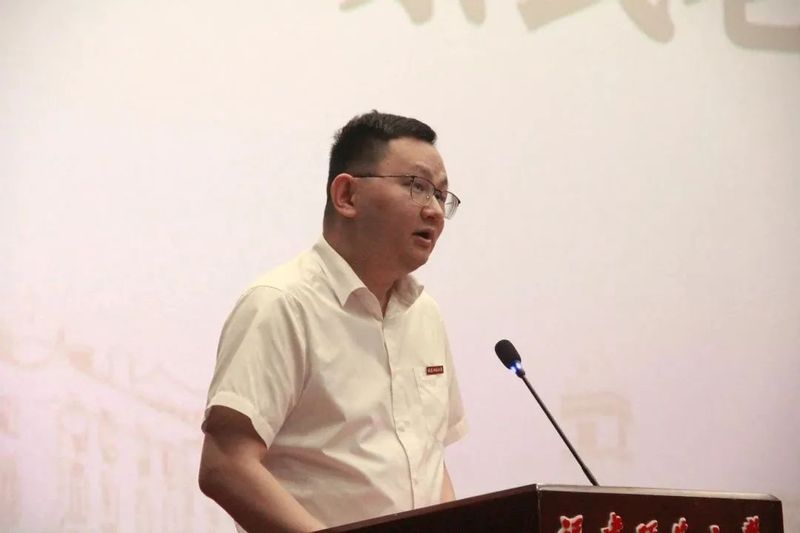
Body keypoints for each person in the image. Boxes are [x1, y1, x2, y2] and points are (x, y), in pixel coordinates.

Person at [198, 111, 468, 533]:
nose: (434, 210)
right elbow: (226, 465)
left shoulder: (424, 314)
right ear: (347, 195)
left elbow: (429, 463)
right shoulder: (281, 304)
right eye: (417, 186)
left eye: (441, 195)